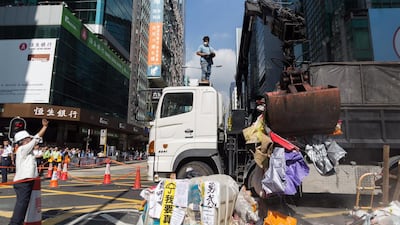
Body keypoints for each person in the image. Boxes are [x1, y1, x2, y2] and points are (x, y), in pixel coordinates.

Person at [9, 118, 49, 225]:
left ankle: (17, 222)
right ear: (23, 141)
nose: (30, 140)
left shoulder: (27, 152)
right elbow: (36, 139)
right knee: (21, 206)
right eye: (28, 139)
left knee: (23, 205)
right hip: (23, 182)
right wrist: (44, 127)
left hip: (26, 181)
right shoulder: (22, 149)